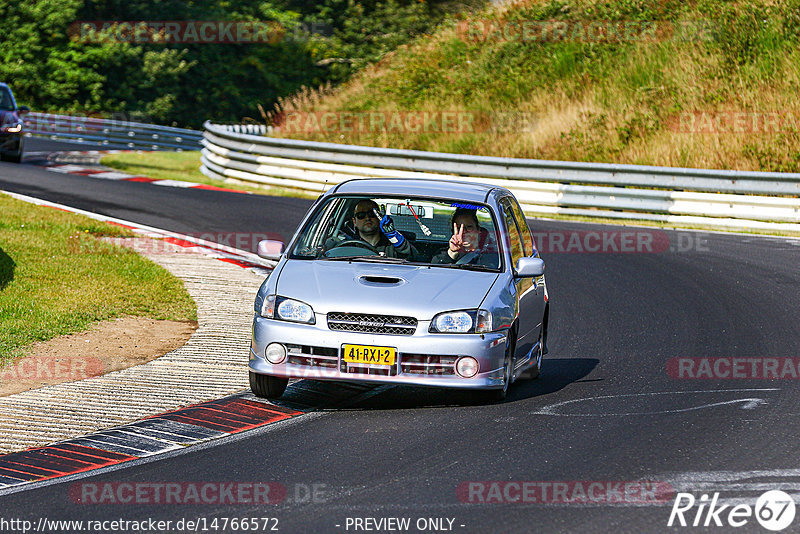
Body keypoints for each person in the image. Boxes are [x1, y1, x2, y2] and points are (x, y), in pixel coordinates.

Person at [338, 199, 416, 258]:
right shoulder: (349, 246)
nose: (367, 218)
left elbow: (413, 258)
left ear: (379, 218)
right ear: (354, 221)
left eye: (372, 214)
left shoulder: (392, 245)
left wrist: (394, 237)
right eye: (361, 215)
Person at [431, 208, 498, 267]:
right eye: (459, 228)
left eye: (469, 227)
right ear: (453, 231)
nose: (464, 231)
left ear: (478, 230)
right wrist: (452, 252)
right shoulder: (443, 254)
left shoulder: (493, 254)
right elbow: (435, 268)